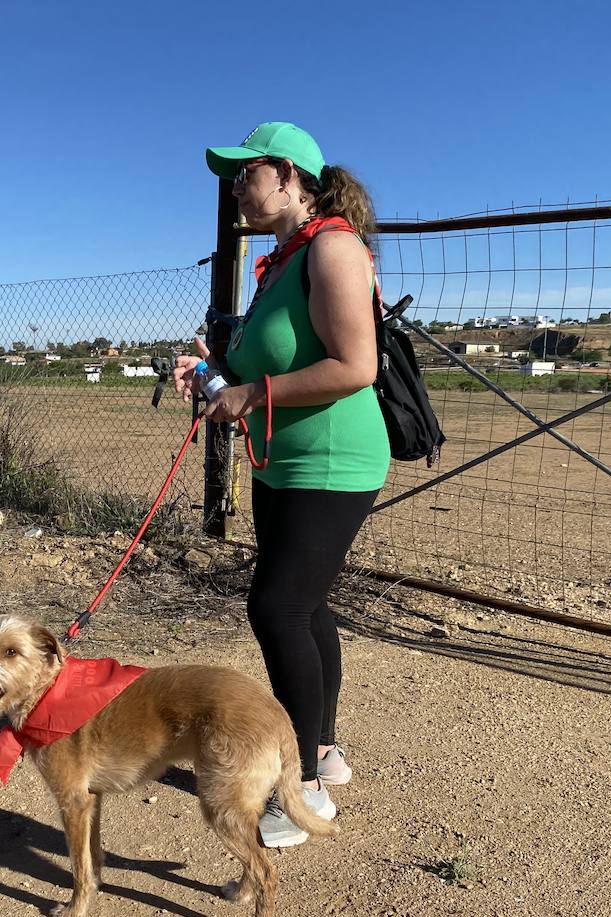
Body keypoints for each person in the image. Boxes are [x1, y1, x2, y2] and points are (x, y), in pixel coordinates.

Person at [173, 121, 391, 848]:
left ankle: (300, 789)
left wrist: (251, 393)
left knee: (276, 607)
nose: (236, 186)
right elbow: (267, 366)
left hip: (332, 461)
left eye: (247, 172)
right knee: (305, 605)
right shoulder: (283, 259)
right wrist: (215, 372)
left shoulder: (332, 246)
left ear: (292, 177)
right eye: (233, 176)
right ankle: (323, 751)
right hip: (284, 461)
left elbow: (355, 366)